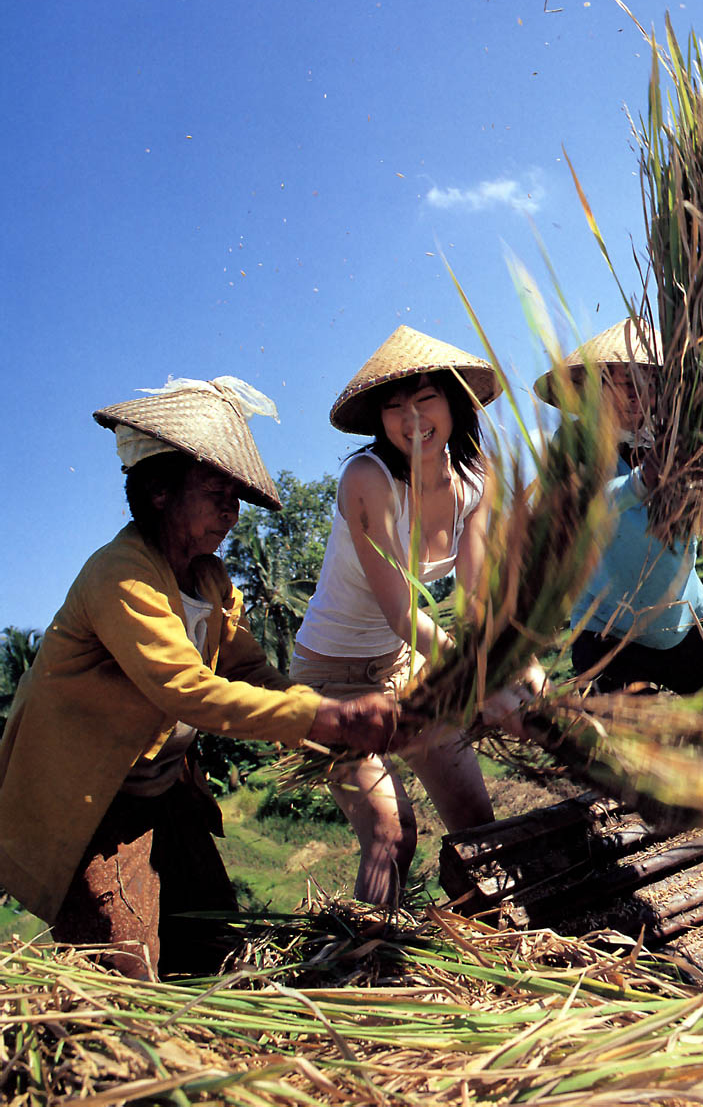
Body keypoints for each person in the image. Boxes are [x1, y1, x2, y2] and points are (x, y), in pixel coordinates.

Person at [0, 376, 413, 979]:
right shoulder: (121, 575)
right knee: (124, 971)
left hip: (165, 791)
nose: (231, 510)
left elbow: (245, 668)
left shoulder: (211, 581)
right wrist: (325, 716)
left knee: (211, 945)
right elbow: (186, 691)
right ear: (162, 492)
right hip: (95, 801)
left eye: (234, 496)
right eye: (215, 491)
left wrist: (315, 712)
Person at [290, 325, 540, 907]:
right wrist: (474, 676)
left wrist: (508, 663)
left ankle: (492, 946)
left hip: (404, 670)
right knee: (391, 836)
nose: (411, 417)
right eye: (395, 405)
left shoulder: (478, 482)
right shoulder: (366, 480)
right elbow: (401, 608)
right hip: (330, 684)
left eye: (426, 399)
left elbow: (476, 598)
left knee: (478, 823)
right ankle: (362, 971)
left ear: (454, 402)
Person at [534, 319, 703, 696]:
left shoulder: (678, 436)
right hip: (606, 628)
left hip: (685, 614)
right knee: (636, 747)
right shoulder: (573, 443)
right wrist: (641, 481)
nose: (638, 396)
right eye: (626, 384)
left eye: (650, 383)